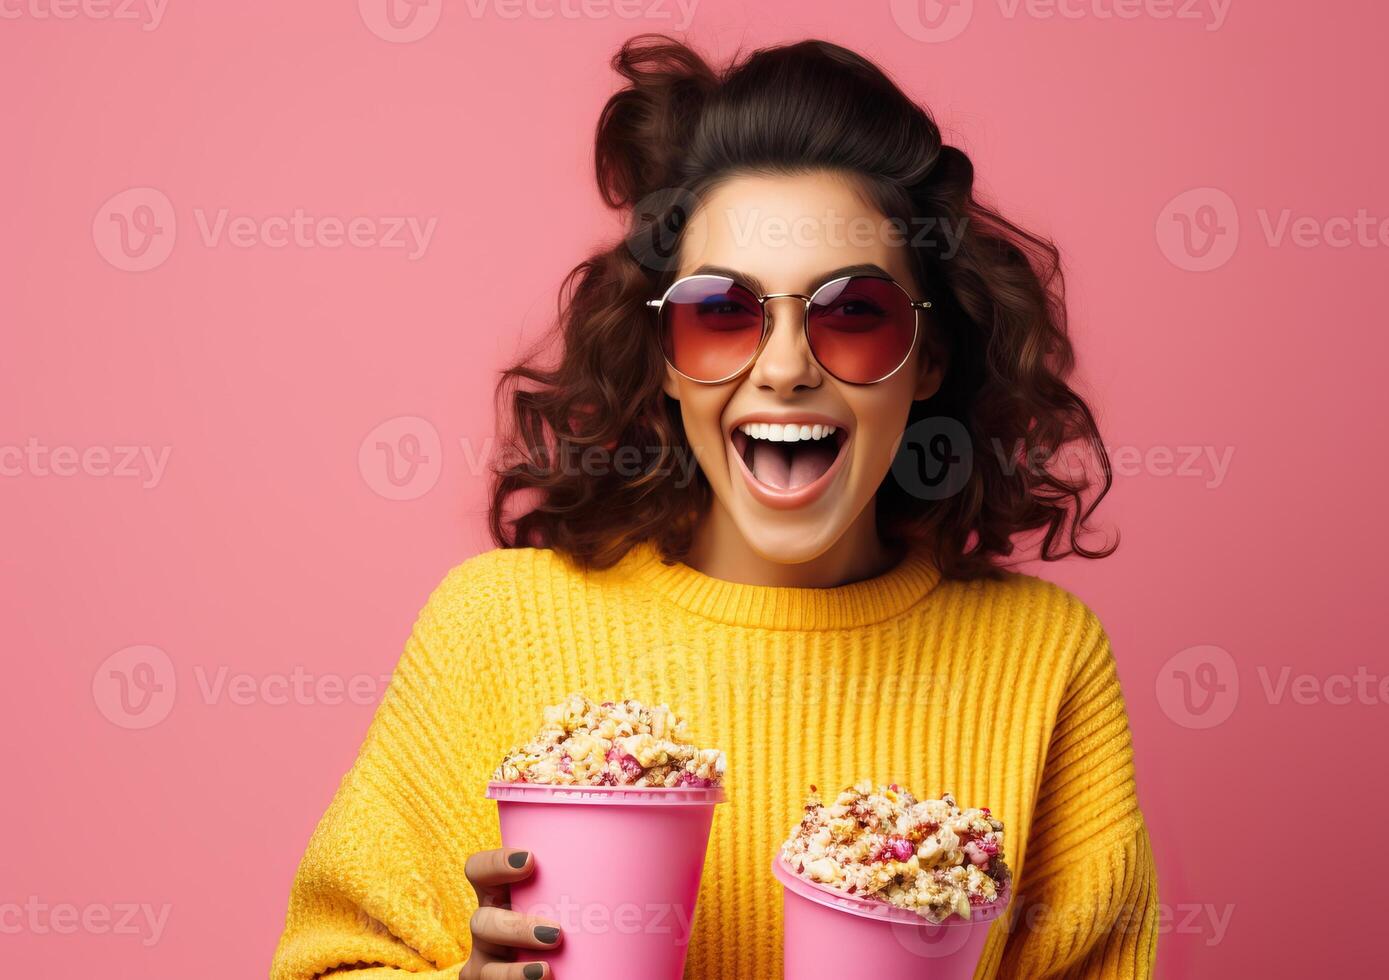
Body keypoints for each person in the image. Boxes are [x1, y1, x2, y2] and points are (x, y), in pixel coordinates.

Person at [271, 33, 1157, 980]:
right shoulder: (494, 632)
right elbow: (328, 963)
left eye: (853, 314)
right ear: (663, 355)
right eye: (722, 314)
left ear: (928, 358)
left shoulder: (1040, 663)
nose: (783, 368)